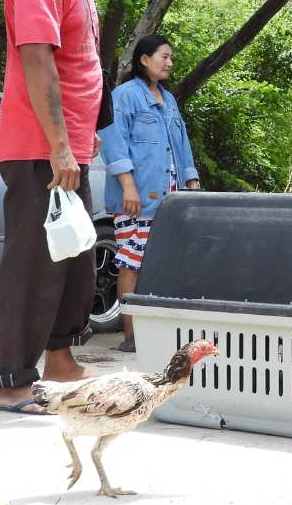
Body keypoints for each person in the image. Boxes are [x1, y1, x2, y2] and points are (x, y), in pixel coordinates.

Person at [0, 0, 115, 413]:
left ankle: (60, 358)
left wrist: (80, 143)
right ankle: (14, 380)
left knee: (76, 255)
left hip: (68, 148)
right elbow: (36, 61)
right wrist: (59, 146)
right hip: (40, 148)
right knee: (34, 262)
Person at [98, 34, 201, 353]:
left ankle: (158, 331)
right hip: (137, 198)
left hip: (170, 198)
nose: (169, 63)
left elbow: (181, 143)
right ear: (144, 59)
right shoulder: (124, 96)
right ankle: (131, 337)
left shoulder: (168, 99)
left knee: (163, 263)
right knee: (132, 263)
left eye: (171, 57)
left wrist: (192, 181)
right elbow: (112, 141)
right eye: (164, 56)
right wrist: (128, 185)